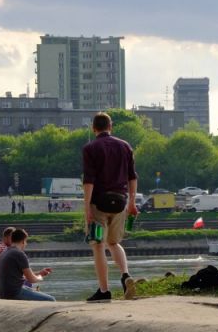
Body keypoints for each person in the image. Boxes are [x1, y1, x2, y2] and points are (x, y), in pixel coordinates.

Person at [82, 112, 139, 302]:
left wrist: (87, 208)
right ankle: (125, 275)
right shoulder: (125, 146)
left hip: (99, 203)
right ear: (111, 126)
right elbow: (132, 177)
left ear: (93, 128)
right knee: (114, 243)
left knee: (98, 245)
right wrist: (132, 202)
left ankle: (104, 291)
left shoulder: (90, 148)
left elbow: (89, 180)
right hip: (120, 202)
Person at [0, 229, 54, 301]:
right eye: (26, 241)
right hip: (14, 292)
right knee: (51, 299)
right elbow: (32, 279)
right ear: (23, 241)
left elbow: (18, 277)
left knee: (32, 290)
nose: (26, 244)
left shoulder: (4, 253)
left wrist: (40, 273)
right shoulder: (19, 254)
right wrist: (40, 277)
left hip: (3, 292)